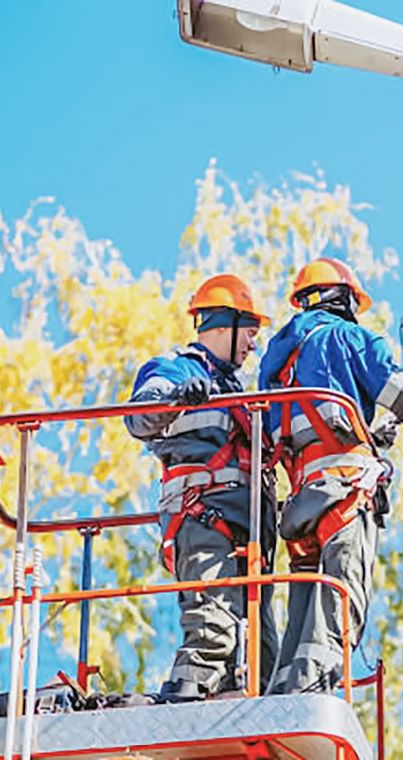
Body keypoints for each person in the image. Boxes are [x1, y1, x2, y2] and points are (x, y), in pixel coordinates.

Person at [260, 257, 403, 694]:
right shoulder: (349, 338)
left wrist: (367, 433)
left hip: (301, 501)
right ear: (344, 299)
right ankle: (315, 688)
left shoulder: (276, 361)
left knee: (303, 602)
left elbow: (301, 425)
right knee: (342, 592)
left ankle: (287, 687)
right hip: (345, 493)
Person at [124, 274, 279, 701]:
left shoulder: (238, 393)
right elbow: (139, 417)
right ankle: (185, 699)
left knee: (262, 655)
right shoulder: (177, 369)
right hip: (204, 520)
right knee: (213, 630)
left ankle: (239, 709)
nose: (252, 343)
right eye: (249, 332)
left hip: (248, 540)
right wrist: (175, 397)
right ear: (223, 324)